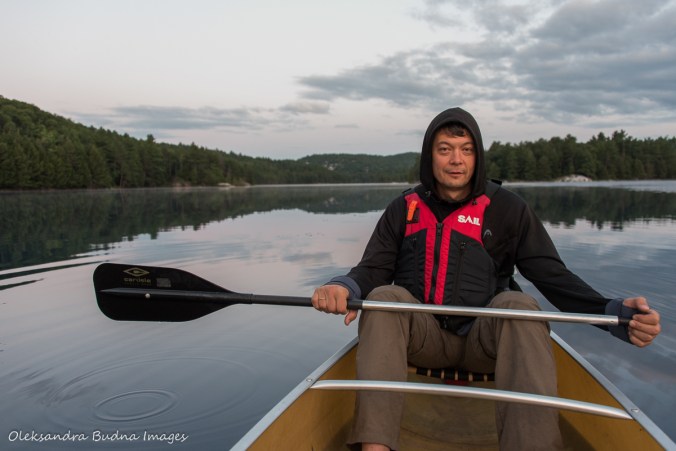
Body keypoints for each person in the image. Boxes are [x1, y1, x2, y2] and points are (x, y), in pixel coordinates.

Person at [311, 107, 661, 451]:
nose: (456, 160)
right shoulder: (404, 208)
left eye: (466, 150)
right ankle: (376, 447)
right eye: (445, 149)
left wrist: (612, 313)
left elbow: (553, 277)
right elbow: (372, 268)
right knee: (385, 298)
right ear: (429, 157)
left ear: (477, 157)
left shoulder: (508, 209)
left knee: (519, 304)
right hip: (422, 342)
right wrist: (344, 286)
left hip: (486, 344)